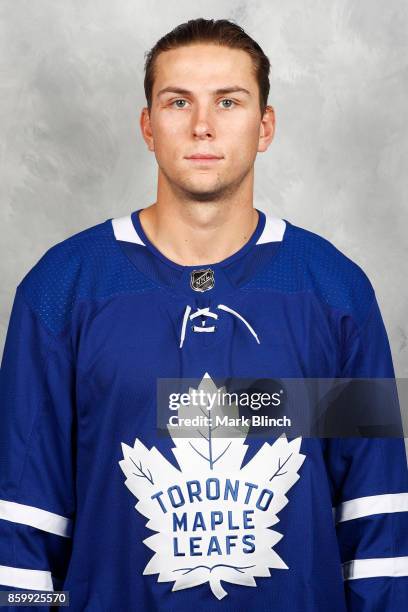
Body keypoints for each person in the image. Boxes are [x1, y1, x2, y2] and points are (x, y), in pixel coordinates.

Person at [0, 17, 407, 612]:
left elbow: (377, 517)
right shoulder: (61, 290)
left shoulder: (337, 292)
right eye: (177, 101)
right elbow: (22, 526)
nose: (202, 126)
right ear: (147, 125)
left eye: (229, 101)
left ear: (264, 126)